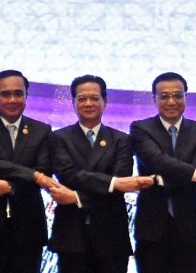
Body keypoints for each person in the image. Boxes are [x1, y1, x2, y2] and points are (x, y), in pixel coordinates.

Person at [0, 69, 75, 273]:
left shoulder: (42, 130)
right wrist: (33, 175)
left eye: (18, 93)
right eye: (5, 94)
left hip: (28, 225)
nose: (13, 99)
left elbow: (44, 169)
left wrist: (9, 186)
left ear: (26, 96)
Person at [48, 74, 153, 273]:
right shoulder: (58, 138)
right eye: (82, 98)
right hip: (71, 234)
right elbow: (69, 175)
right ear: (73, 103)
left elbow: (122, 180)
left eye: (95, 98)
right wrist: (113, 183)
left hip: (111, 235)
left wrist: (77, 197)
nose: (88, 103)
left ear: (105, 101)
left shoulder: (121, 139)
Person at [130, 72, 196, 273]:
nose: (172, 101)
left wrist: (156, 180)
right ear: (154, 99)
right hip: (151, 227)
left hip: (189, 227)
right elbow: (157, 160)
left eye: (178, 95)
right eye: (164, 96)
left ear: (186, 97)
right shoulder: (140, 128)